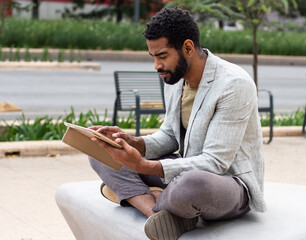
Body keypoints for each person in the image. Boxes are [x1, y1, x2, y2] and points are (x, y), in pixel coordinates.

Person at [89, 7, 266, 240]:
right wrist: (133, 142)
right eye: (153, 57)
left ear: (188, 48)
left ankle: (136, 195)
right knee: (102, 152)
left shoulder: (234, 84)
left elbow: (215, 163)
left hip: (228, 183)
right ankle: (156, 212)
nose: (157, 66)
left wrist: (142, 166)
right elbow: (170, 136)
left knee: (190, 185)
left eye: (162, 56)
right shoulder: (174, 80)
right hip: (184, 167)